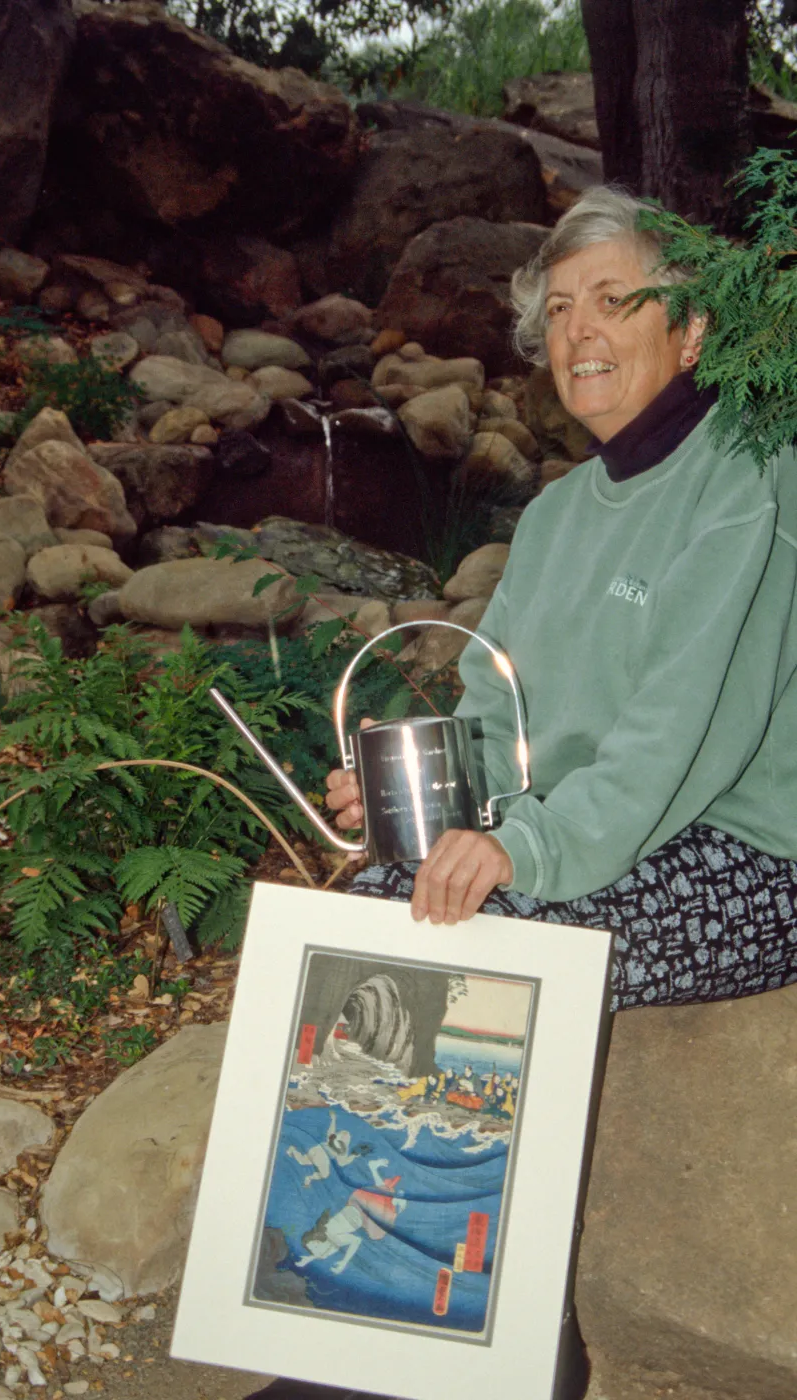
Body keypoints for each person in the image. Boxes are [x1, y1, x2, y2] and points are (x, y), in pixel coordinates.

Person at [245, 187, 797, 1399]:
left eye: (615, 298)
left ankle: (507, 1350)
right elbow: (496, 718)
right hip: (598, 827)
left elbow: (677, 739)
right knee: (382, 900)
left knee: (502, 930)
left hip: (746, 853)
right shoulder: (553, 516)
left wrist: (520, 850)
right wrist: (417, 791)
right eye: (557, 309)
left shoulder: (754, 479)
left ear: (692, 330)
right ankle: (344, 1313)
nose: (580, 330)